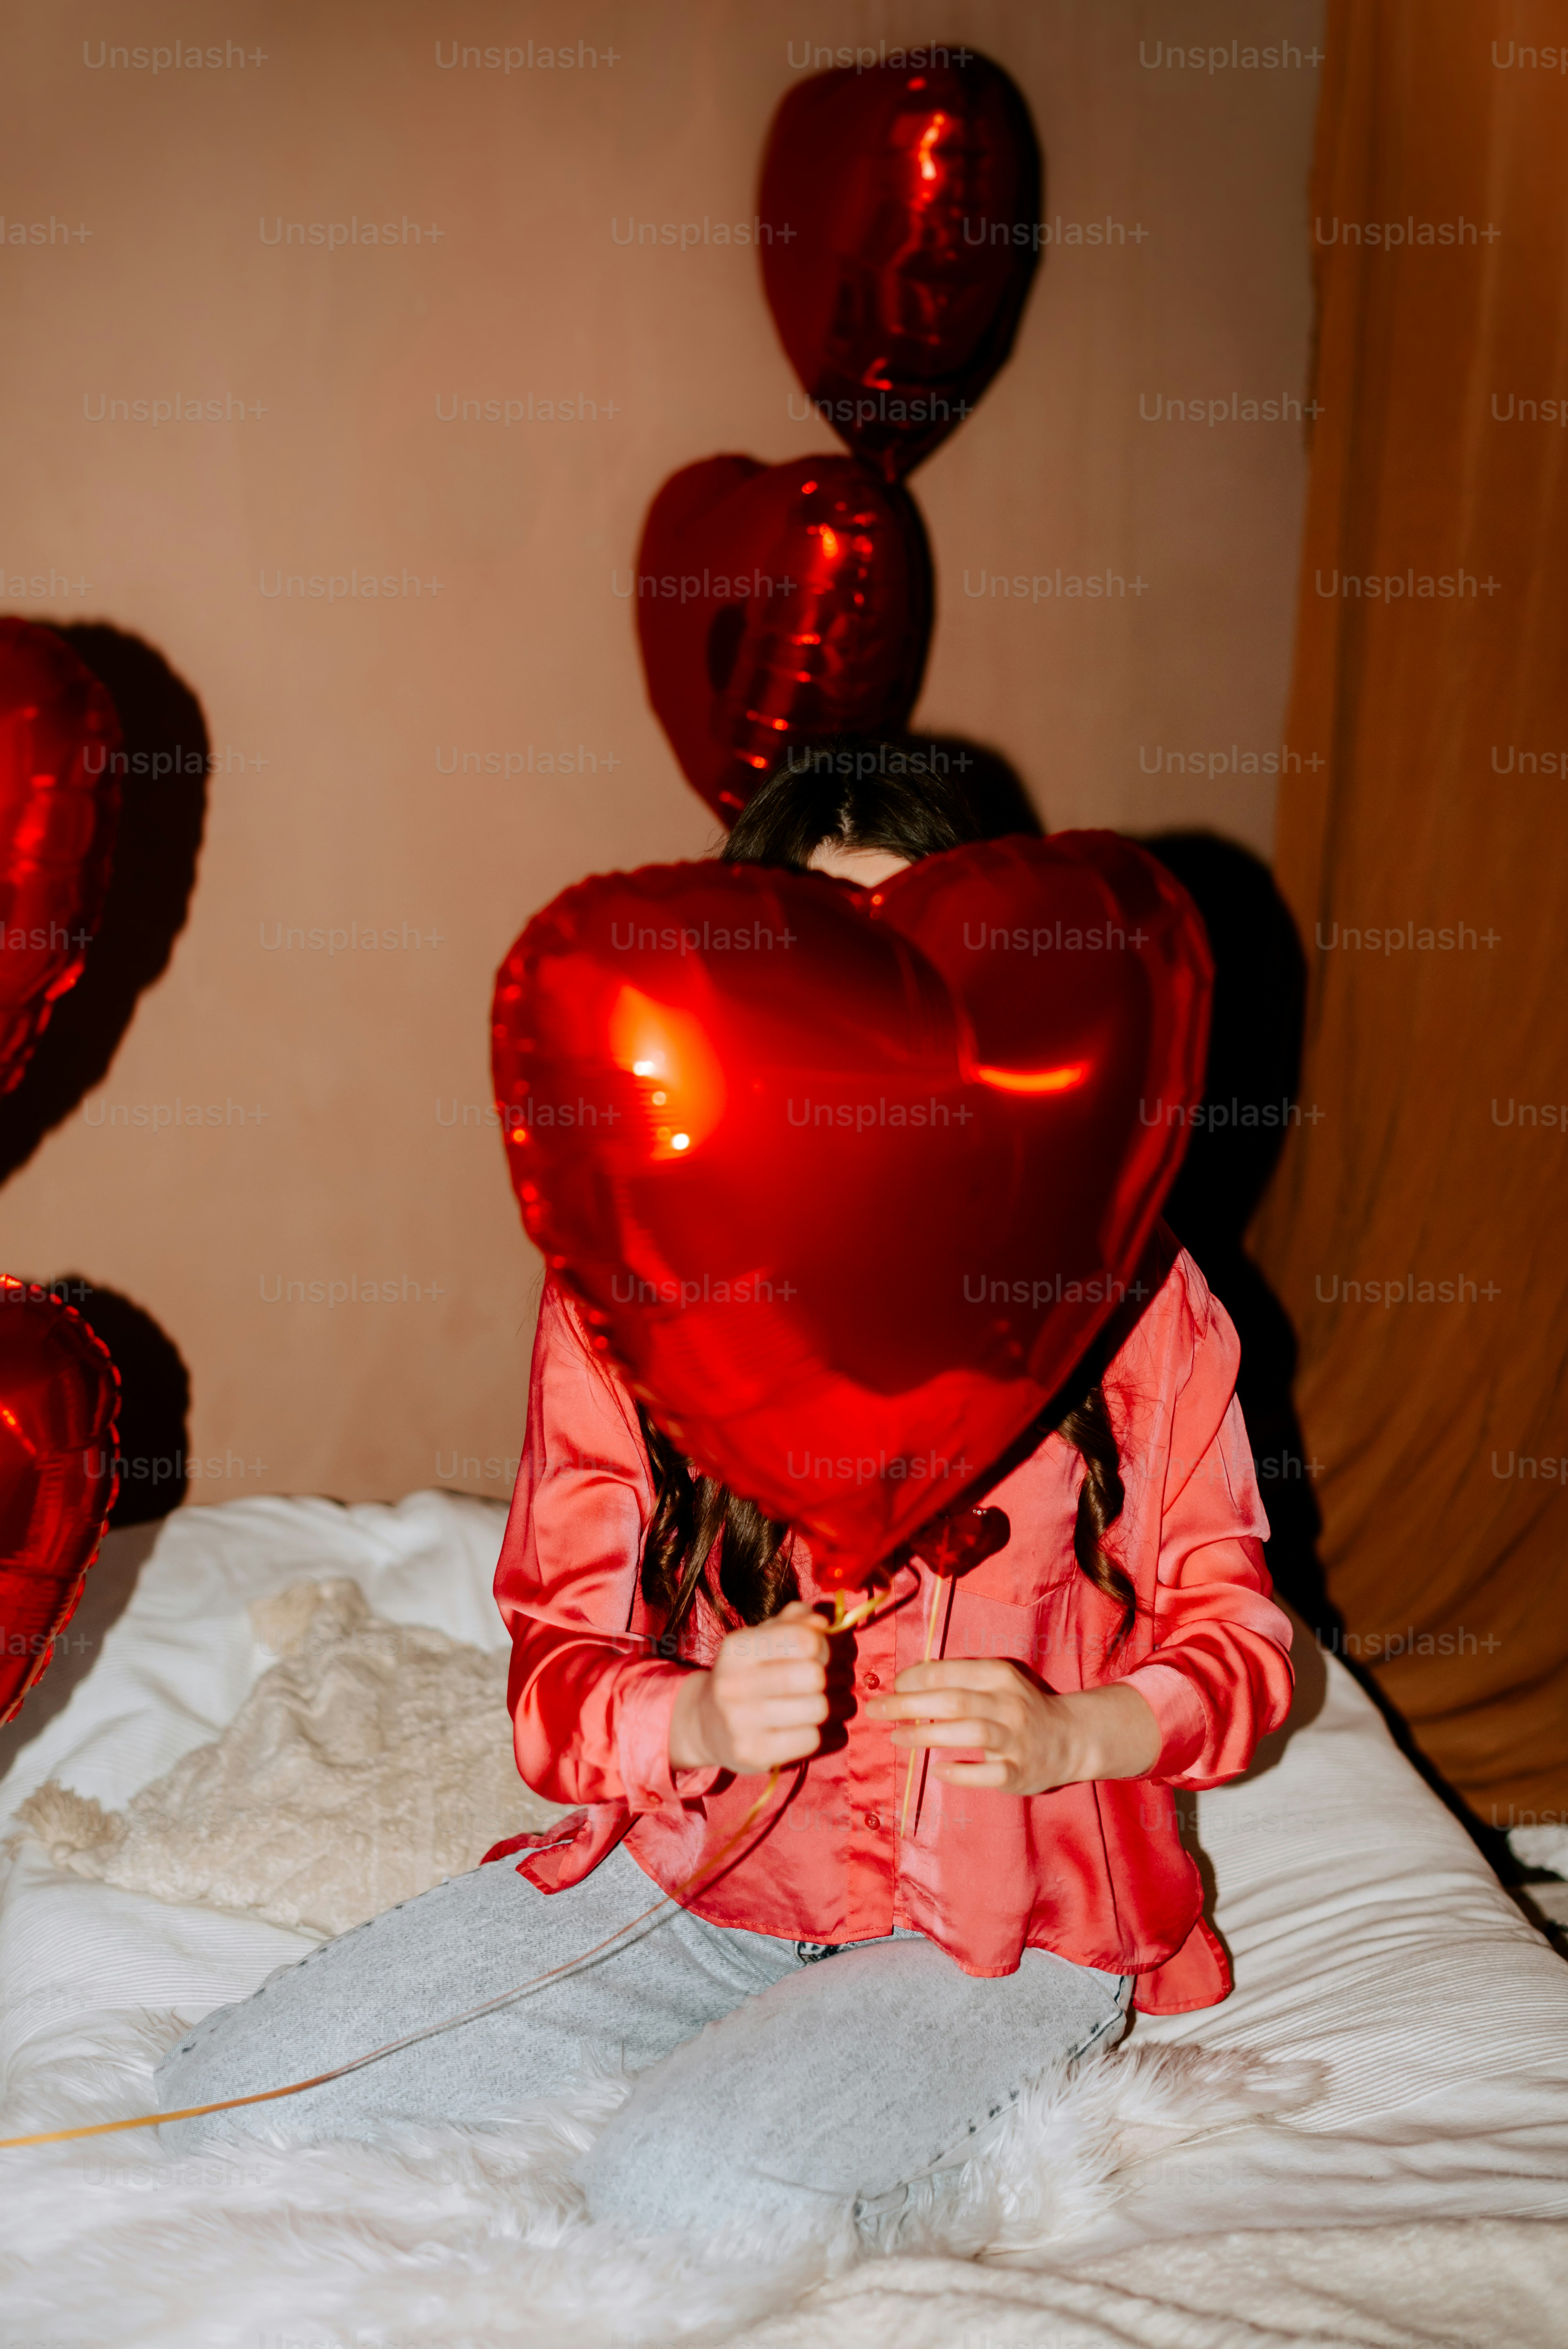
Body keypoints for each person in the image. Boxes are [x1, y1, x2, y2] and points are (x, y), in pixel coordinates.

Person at [156, 742, 1294, 2242]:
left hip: (1002, 1924)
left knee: (685, 2198)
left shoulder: (1140, 1301)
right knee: (233, 2100)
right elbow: (554, 1675)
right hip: (698, 1885)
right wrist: (688, 1715)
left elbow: (1245, 1643)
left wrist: (1078, 1726)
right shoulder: (628, 1296)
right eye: (830, 979)